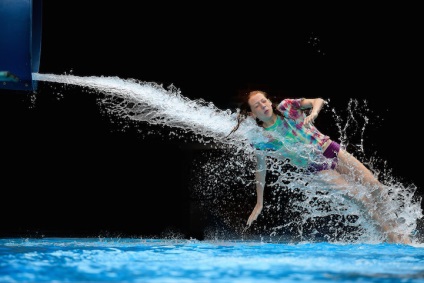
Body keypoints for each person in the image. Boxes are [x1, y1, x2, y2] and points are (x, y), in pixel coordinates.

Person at [228, 90, 410, 244]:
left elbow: (318, 101)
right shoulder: (261, 138)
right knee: (360, 200)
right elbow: (260, 168)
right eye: (257, 105)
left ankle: (397, 228)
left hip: (330, 149)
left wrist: (313, 113)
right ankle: (392, 238)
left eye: (264, 101)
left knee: (375, 187)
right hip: (316, 168)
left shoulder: (287, 107)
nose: (263, 106)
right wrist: (259, 202)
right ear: (252, 113)